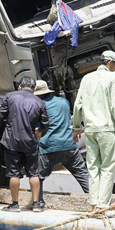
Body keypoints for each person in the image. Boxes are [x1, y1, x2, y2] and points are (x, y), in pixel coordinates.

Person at [72, 50, 115, 211]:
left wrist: (76, 127)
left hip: (89, 130)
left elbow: (77, 105)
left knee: (93, 167)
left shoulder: (86, 78)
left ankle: (94, 205)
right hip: (106, 129)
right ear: (110, 62)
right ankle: (103, 205)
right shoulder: (112, 77)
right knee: (108, 167)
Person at [0, 76, 49, 212]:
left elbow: (0, 116)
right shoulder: (39, 102)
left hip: (12, 141)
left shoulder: (10, 97)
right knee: (34, 173)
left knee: (13, 173)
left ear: (19, 87)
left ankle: (15, 204)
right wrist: (39, 131)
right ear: (34, 89)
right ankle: (36, 204)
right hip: (30, 141)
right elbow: (46, 123)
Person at [35, 80, 89, 208]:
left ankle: (38, 203)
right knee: (83, 175)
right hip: (69, 144)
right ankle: (96, 202)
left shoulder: (38, 105)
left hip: (48, 146)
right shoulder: (63, 102)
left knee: (37, 177)